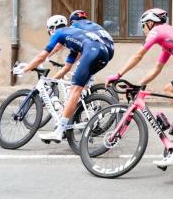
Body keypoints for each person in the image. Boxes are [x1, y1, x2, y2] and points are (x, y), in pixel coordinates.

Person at [106, 8, 173, 167]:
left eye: (143, 25)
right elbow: (157, 69)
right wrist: (139, 84)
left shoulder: (157, 30)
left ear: (150, 23)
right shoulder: (167, 39)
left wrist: (118, 74)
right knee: (169, 89)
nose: (143, 29)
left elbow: (138, 55)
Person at [13, 15, 111, 143]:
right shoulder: (73, 40)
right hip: (104, 53)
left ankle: (59, 131)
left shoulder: (59, 33)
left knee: (74, 90)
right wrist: (50, 80)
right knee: (76, 89)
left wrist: (24, 69)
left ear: (52, 29)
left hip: (92, 50)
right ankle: (72, 118)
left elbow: (41, 57)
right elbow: (66, 68)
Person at [49, 10, 115, 81]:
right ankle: (87, 88)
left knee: (78, 72)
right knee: (86, 67)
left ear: (72, 21)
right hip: (110, 50)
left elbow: (58, 45)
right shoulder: (91, 24)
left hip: (97, 47)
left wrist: (48, 56)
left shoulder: (74, 26)